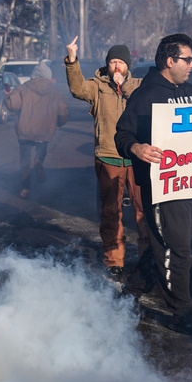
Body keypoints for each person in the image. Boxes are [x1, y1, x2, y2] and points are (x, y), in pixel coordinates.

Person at [115, 33, 192, 334]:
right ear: (169, 61)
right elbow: (122, 135)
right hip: (162, 188)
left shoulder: (191, 91)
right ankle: (182, 312)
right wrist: (136, 148)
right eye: (188, 59)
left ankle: (132, 290)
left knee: (167, 244)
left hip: (190, 186)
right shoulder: (145, 95)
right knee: (178, 251)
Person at [64, 37, 149, 279]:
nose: (116, 67)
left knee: (143, 210)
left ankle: (147, 258)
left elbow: (146, 103)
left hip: (137, 158)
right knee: (111, 212)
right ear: (107, 65)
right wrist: (72, 59)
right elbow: (77, 89)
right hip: (109, 157)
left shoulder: (139, 86)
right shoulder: (97, 86)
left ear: (128, 66)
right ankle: (114, 261)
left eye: (121, 62)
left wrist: (125, 86)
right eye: (112, 62)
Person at [5, 60, 68, 199]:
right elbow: (63, 110)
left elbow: (13, 106)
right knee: (42, 147)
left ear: (34, 74)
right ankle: (39, 161)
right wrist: (59, 122)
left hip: (25, 131)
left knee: (24, 161)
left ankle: (25, 189)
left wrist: (7, 96)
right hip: (45, 130)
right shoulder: (54, 91)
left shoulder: (22, 88)